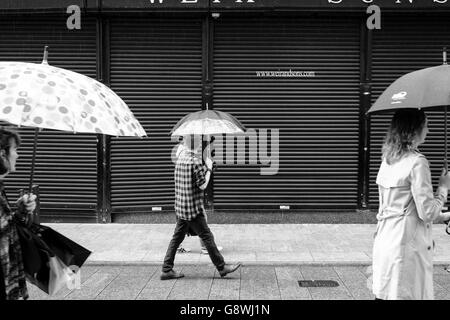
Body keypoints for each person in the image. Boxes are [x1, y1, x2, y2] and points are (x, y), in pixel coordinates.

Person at [372, 109, 450, 300]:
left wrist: (446, 216)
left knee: (385, 295)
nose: (429, 131)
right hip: (407, 248)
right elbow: (427, 213)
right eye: (426, 125)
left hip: (385, 241)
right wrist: (443, 188)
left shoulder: (388, 159)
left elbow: (407, 209)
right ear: (414, 130)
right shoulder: (418, 162)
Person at [161, 134, 240, 280]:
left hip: (181, 207)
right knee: (207, 236)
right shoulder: (195, 161)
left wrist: (204, 168)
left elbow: (191, 179)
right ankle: (222, 267)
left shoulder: (181, 158)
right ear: (196, 145)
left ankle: (166, 269)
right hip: (193, 209)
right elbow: (202, 185)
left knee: (177, 238)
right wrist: (209, 168)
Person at [0, 127, 37, 300]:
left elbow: (6, 233)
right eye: (15, 149)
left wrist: (22, 211)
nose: (17, 155)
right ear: (2, 153)